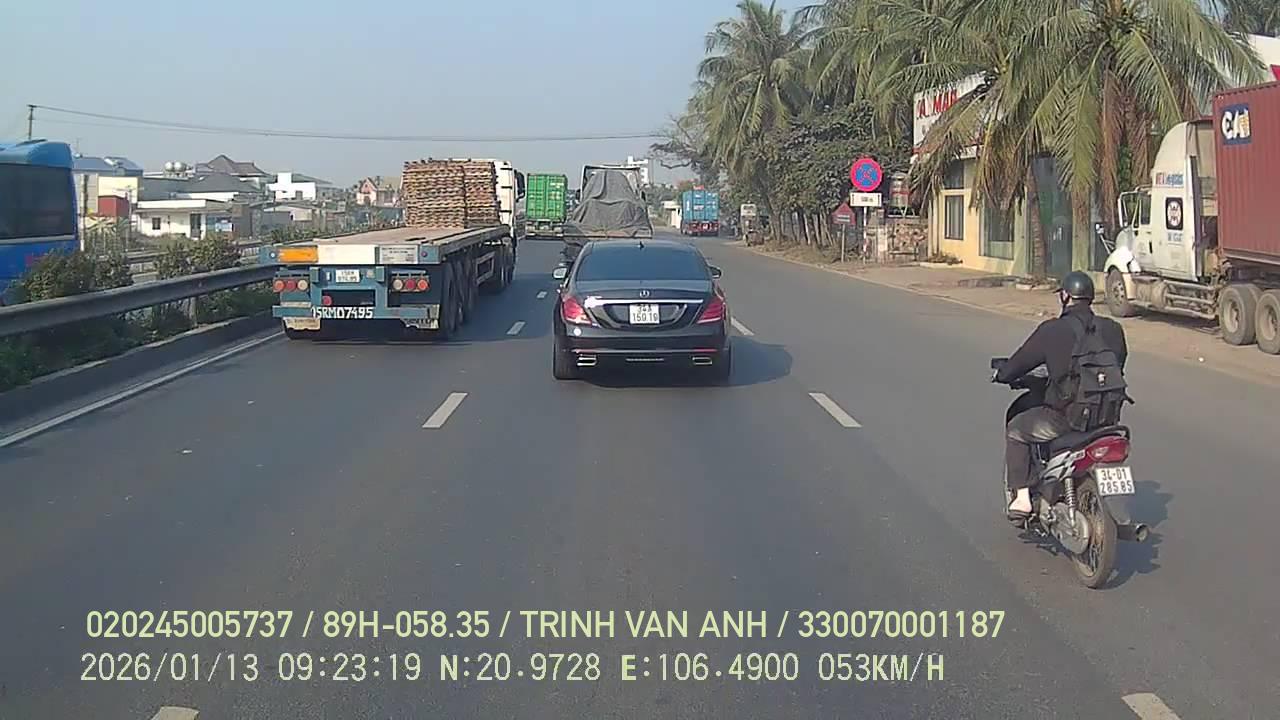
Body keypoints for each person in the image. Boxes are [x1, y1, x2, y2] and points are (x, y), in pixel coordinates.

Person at [994, 271, 1128, 521]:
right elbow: (1119, 364)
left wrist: (1003, 374)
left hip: (1068, 418)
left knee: (1016, 430)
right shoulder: (1113, 329)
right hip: (1108, 417)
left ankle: (1022, 499)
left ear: (1065, 296)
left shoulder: (1052, 330)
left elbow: (1019, 363)